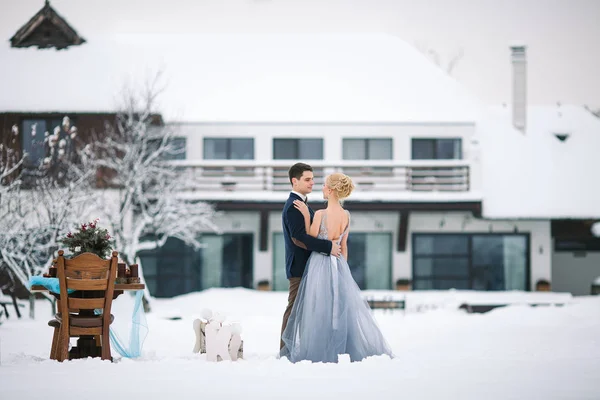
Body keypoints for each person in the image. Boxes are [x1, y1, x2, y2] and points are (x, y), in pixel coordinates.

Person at [281, 172, 393, 363]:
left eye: (325, 185)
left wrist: (305, 214)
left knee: (318, 307)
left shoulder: (321, 214)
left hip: (319, 264)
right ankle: (341, 346)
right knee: (337, 306)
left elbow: (310, 237)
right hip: (339, 263)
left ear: (331, 190)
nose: (322, 188)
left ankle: (317, 348)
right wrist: (343, 270)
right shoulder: (346, 215)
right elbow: (344, 245)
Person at [279, 163, 342, 351]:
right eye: (307, 179)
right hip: (299, 267)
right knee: (294, 311)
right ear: (294, 181)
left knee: (309, 311)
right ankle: (285, 351)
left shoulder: (303, 204)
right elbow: (298, 238)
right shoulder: (293, 206)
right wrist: (328, 246)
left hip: (311, 267)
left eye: (313, 179)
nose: (312, 183)